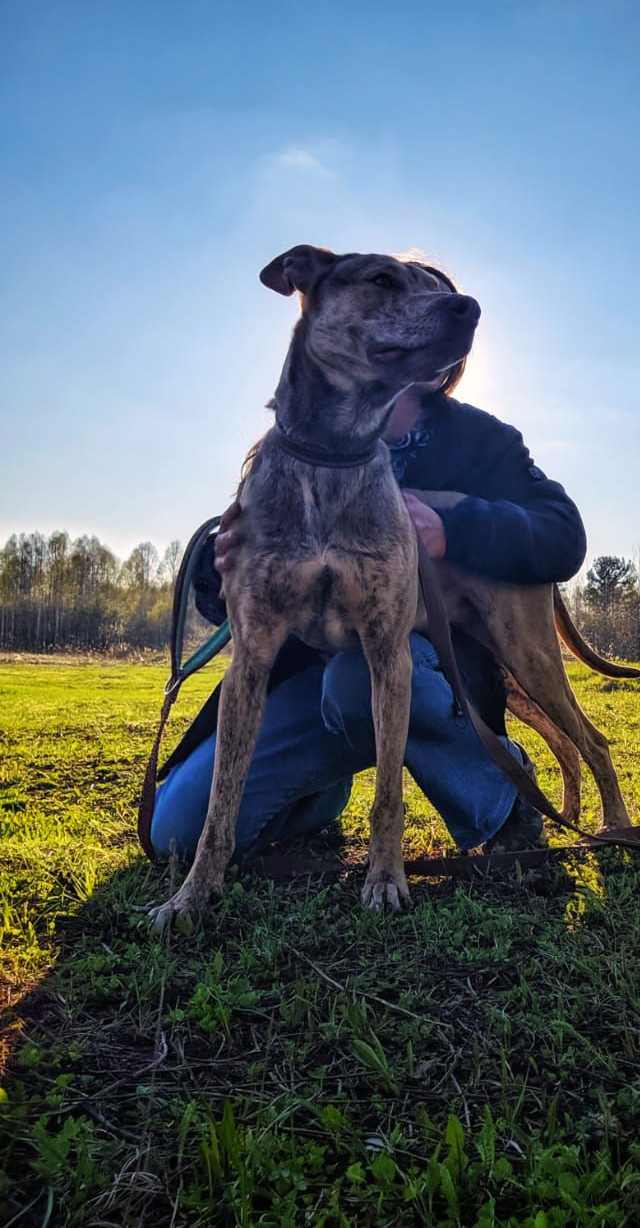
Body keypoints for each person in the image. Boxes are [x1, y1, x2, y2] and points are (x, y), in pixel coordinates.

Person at [150, 281, 587, 863]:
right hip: (305, 675)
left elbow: (562, 536)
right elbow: (237, 596)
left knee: (357, 682)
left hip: (428, 669)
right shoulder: (295, 439)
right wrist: (220, 560)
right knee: (173, 835)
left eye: (447, 322)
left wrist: (453, 524)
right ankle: (316, 797)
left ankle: (501, 797)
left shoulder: (483, 442)